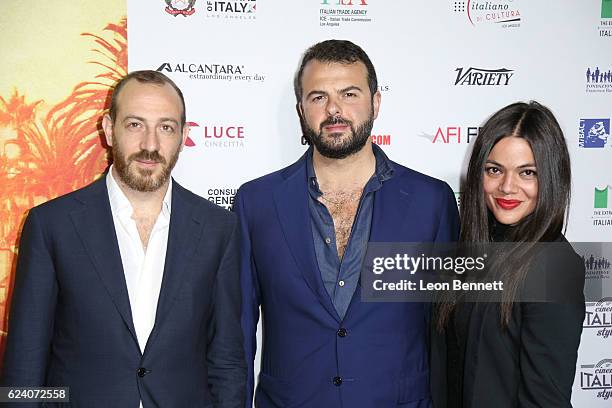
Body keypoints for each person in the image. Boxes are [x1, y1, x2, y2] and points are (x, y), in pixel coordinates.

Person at [234, 40, 460, 408]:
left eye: (349, 93)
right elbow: (238, 336)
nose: (334, 109)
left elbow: (447, 331)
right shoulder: (256, 202)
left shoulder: (431, 201)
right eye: (318, 97)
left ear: (376, 102)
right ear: (301, 110)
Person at [1, 70, 246, 407]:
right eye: (135, 125)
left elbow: (228, 361)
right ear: (108, 129)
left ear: (183, 135)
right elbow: (24, 368)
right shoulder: (51, 226)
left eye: (166, 127)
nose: (150, 144)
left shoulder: (219, 228)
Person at [431, 101, 585, 407]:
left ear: (551, 178)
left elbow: (545, 401)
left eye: (527, 172)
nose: (507, 187)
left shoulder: (554, 267)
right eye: (494, 170)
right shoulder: (474, 248)